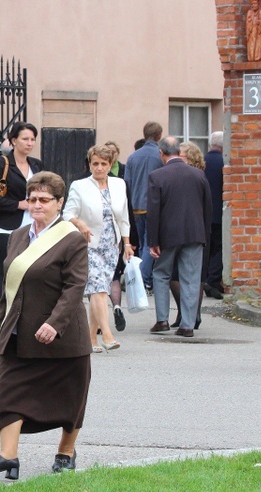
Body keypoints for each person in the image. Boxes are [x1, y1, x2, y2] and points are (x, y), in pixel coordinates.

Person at [0, 171, 90, 478]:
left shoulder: (71, 239)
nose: (37, 205)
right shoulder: (17, 237)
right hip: (19, 332)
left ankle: (66, 452)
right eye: (32, 199)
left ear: (59, 203)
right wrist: (1, 326)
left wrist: (55, 323)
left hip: (62, 336)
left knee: (70, 398)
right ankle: (7, 456)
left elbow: (75, 287)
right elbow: (8, 288)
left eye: (44, 199)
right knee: (10, 393)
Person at [64, 146, 133, 352]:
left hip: (111, 244)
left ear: (110, 165)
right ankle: (108, 334)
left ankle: (91, 338)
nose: (99, 168)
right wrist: (80, 223)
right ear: (90, 164)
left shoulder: (119, 184)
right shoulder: (80, 185)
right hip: (88, 244)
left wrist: (127, 244)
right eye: (95, 163)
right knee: (99, 289)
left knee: (99, 289)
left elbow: (124, 217)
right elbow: (67, 213)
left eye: (104, 164)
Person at [148, 137, 212, 338]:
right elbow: (207, 207)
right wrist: (204, 234)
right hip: (195, 233)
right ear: (178, 151)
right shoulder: (198, 175)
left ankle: (162, 320)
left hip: (167, 235)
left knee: (161, 274)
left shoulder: (157, 176)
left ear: (161, 153)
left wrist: (153, 241)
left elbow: (154, 211)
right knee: (191, 278)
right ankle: (187, 325)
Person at [0, 122, 44, 299]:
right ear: (14, 140)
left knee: (31, 276)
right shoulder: (2, 164)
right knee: (7, 277)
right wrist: (18, 204)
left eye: (33, 139)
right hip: (6, 229)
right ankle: (5, 322)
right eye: (25, 139)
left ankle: (25, 321)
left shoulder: (37, 165)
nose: (30, 143)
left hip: (34, 228)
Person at [169, 141, 208, 328]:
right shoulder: (197, 175)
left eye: (182, 155)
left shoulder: (195, 176)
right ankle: (191, 315)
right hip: (198, 230)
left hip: (190, 231)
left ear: (190, 157)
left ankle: (189, 315)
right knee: (191, 276)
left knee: (185, 275)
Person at [125, 121, 163, 293]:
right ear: (159, 136)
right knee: (150, 244)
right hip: (154, 206)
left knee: (141, 245)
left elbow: (127, 183)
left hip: (135, 206)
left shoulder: (133, 157)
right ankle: (143, 280)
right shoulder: (160, 156)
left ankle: (140, 279)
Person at [103, 141, 137, 331]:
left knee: (103, 278)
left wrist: (129, 241)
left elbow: (126, 214)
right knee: (112, 277)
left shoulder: (121, 180)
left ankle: (108, 313)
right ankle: (115, 308)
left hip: (113, 238)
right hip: (108, 237)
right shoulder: (119, 183)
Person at [204, 131, 225, 299]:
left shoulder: (202, 161)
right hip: (219, 212)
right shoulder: (224, 162)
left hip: (203, 213)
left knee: (207, 248)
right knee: (219, 247)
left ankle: (206, 278)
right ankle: (213, 280)